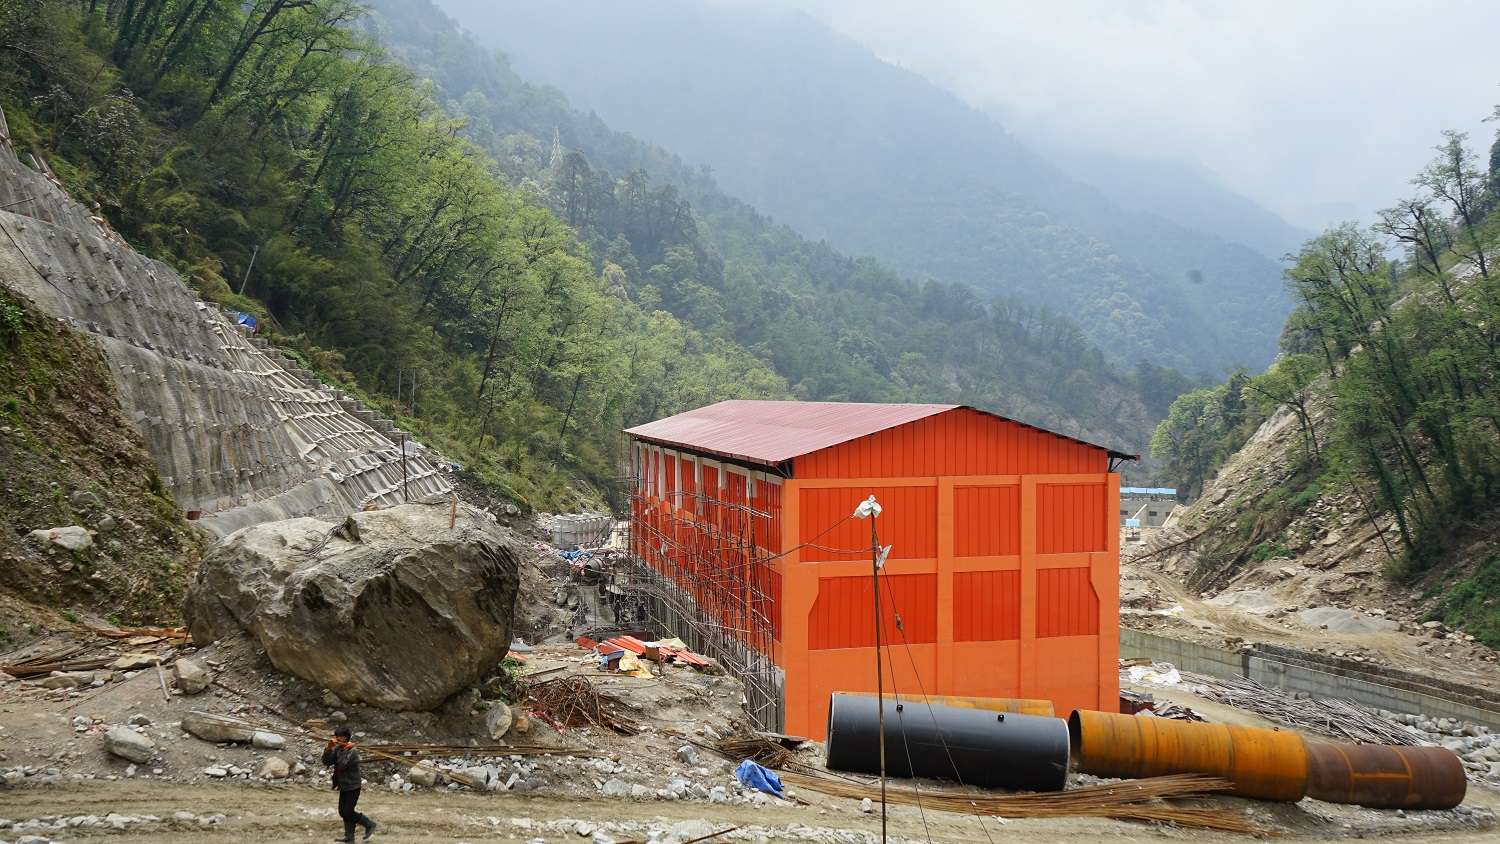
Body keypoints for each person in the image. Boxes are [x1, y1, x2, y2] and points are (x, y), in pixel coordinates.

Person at [322, 726, 377, 841]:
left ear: (346, 737)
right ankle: (349, 836)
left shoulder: (352, 751)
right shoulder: (338, 749)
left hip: (353, 785)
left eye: (340, 736)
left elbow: (342, 764)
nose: (338, 738)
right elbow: (327, 762)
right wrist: (328, 748)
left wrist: (345, 750)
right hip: (343, 785)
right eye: (337, 736)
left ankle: (369, 824)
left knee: (348, 812)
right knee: (343, 812)